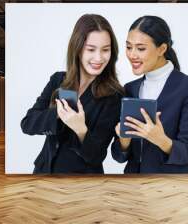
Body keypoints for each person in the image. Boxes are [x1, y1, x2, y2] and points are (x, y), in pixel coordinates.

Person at [21, 14, 123, 174]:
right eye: (91, 49)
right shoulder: (58, 80)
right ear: (77, 48)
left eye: (105, 50)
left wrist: (80, 129)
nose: (99, 58)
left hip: (81, 184)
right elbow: (27, 124)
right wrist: (58, 115)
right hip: (44, 172)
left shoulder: (114, 95)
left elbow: (96, 156)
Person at [111, 16, 188, 174]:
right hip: (134, 185)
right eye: (128, 47)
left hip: (172, 187)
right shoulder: (129, 89)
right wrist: (124, 142)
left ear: (161, 49)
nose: (132, 55)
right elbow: (119, 156)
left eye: (140, 48)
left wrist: (162, 140)